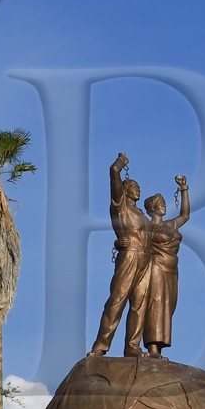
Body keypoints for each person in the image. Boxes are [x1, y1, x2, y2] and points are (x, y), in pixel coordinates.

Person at [90, 153, 150, 356]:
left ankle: (133, 346)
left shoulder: (142, 214)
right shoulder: (120, 206)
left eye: (138, 186)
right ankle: (101, 346)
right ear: (124, 190)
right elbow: (113, 172)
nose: (138, 188)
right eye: (134, 186)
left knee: (140, 303)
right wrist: (120, 163)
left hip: (146, 258)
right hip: (130, 255)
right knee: (117, 299)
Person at [141, 174, 190, 357]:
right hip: (155, 268)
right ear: (151, 208)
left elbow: (185, 215)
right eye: (160, 202)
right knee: (155, 304)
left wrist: (184, 189)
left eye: (163, 202)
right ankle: (152, 347)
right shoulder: (146, 227)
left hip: (172, 271)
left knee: (168, 307)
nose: (163, 205)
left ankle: (159, 346)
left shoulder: (171, 225)